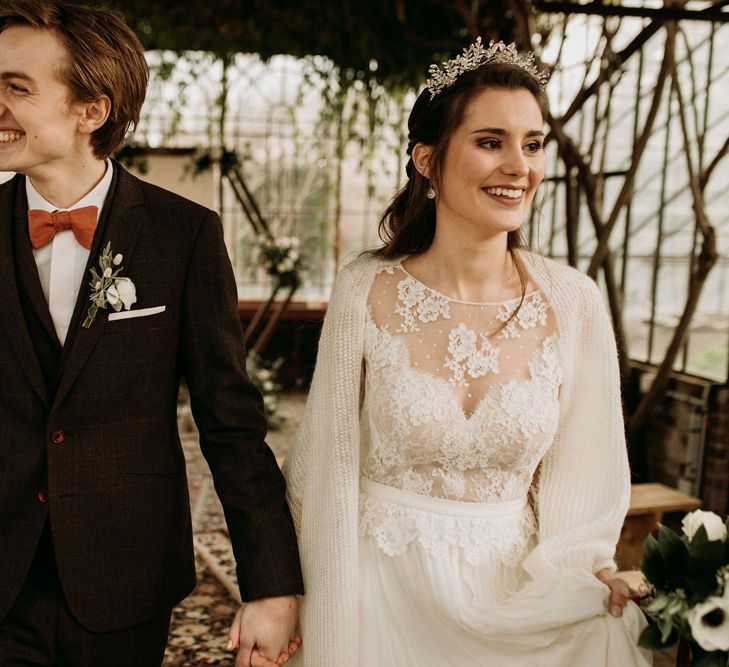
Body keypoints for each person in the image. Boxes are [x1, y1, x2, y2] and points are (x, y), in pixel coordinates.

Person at [283, 39, 652, 666]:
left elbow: (589, 478)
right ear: (427, 159)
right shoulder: (364, 287)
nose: (520, 166)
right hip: (378, 597)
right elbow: (324, 467)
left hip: (516, 605)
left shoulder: (574, 302)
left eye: (532, 144)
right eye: (491, 142)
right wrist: (311, 610)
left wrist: (593, 572)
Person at [0, 2, 302, 666]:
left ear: (92, 111)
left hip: (123, 576)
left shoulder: (183, 236)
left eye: (15, 87)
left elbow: (230, 418)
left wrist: (272, 584)